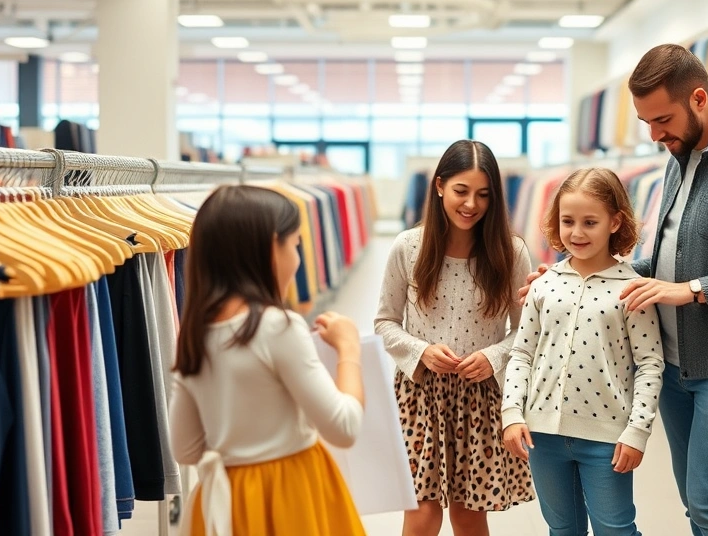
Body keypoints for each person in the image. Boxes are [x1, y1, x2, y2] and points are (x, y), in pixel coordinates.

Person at [519, 44, 708, 536]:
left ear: (698, 98)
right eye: (646, 122)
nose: (654, 135)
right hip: (675, 365)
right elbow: (663, 257)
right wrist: (580, 273)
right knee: (694, 504)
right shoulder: (680, 156)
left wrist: (691, 290)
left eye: (662, 120)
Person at [169, 185, 367, 536]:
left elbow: (185, 449)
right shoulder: (277, 327)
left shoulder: (194, 332)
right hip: (290, 494)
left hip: (224, 500)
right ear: (269, 250)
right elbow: (343, 427)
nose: (299, 259)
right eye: (295, 245)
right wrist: (349, 350)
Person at [375, 140, 535, 536]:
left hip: (479, 398)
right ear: (440, 186)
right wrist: (421, 350)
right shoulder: (408, 247)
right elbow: (385, 322)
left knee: (468, 514)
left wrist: (494, 356)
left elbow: (528, 332)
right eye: (462, 191)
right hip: (419, 396)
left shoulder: (510, 253)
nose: (471, 204)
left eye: (483, 194)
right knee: (421, 513)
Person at [502, 168, 664, 536]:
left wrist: (637, 431)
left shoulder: (631, 289)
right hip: (542, 436)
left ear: (614, 222)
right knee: (562, 530)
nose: (576, 233)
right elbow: (521, 352)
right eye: (567, 221)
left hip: (607, 439)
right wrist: (512, 412)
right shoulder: (543, 284)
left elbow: (650, 364)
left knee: (616, 530)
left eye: (590, 222)